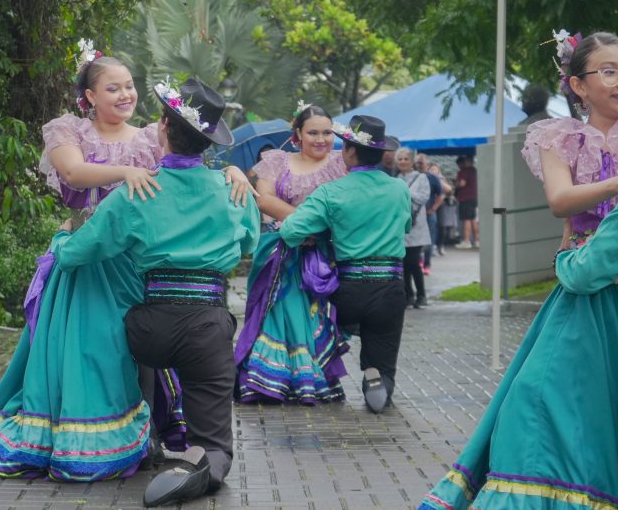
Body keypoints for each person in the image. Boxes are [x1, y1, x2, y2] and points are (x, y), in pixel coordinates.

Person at [0, 45, 253, 480]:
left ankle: (139, 433)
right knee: (93, 353)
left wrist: (232, 172)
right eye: (113, 88)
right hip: (89, 258)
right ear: (89, 96)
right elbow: (73, 174)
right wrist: (125, 174)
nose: (125, 95)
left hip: (137, 264)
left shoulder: (148, 136)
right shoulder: (69, 132)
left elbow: (188, 170)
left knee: (131, 350)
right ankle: (89, 437)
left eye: (129, 87)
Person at [419, 30, 618, 510]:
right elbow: (561, 201)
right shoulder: (557, 136)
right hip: (587, 289)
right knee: (541, 397)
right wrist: (616, 183)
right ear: (578, 85)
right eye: (609, 71)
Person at [52, 77, 259, 506]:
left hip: (148, 329)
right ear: (208, 142)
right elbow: (248, 245)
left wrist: (61, 240)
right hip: (207, 326)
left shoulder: (135, 190)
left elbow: (79, 254)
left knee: (118, 329)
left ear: (162, 126)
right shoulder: (232, 189)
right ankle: (200, 461)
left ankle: (137, 432)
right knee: (218, 444)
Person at [279, 116, 409, 413]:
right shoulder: (398, 189)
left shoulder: (331, 192)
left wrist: (321, 232)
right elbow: (407, 225)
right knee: (383, 349)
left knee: (324, 317)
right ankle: (377, 376)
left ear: (349, 152)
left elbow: (290, 231)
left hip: (348, 292)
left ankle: (320, 366)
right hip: (390, 287)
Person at [234, 100, 349, 404]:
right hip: (279, 252)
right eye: (313, 133)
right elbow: (264, 199)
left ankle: (307, 378)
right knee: (279, 310)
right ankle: (270, 381)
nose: (322, 139)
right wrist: (303, 225)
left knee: (312, 315)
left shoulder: (342, 163)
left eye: (327, 132)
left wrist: (312, 230)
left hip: (320, 257)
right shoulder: (277, 160)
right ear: (297, 133)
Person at [397, 148, 430, 308]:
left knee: (414, 262)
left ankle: (422, 295)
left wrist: (406, 193)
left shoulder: (421, 177)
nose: (403, 161)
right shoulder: (395, 179)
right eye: (400, 159)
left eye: (406, 159)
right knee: (403, 264)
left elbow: (424, 197)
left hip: (417, 226)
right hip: (401, 228)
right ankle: (408, 295)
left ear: (412, 161)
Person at [415, 154, 444, 273]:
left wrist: (433, 209)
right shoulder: (413, 176)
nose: (418, 165)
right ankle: (419, 262)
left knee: (429, 240)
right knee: (416, 239)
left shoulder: (433, 178)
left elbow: (441, 195)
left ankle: (426, 264)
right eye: (416, 163)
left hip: (429, 214)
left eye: (420, 163)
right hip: (416, 215)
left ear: (427, 164)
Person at [453, 155, 478, 248]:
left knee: (466, 219)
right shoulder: (474, 170)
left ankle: (466, 241)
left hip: (465, 198)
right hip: (474, 197)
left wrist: (456, 185)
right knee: (473, 219)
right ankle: (477, 240)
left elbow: (462, 183)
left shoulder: (463, 171)